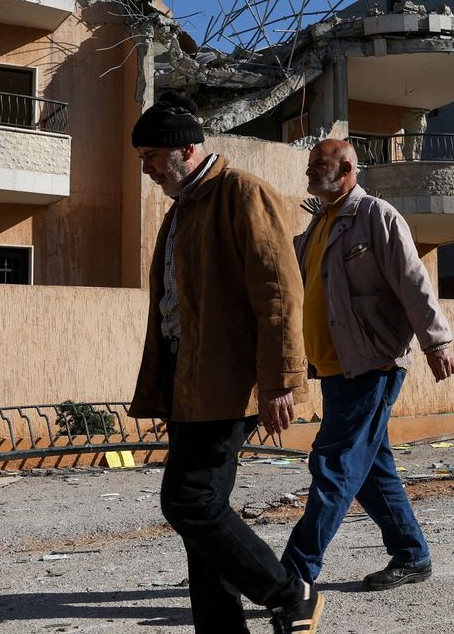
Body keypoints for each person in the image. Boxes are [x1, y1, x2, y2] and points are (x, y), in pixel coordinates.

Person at [128, 91, 324, 634]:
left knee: (188, 501)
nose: (147, 169)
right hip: (189, 384)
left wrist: (281, 380)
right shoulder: (183, 209)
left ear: (185, 149)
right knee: (204, 511)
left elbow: (280, 293)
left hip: (226, 383)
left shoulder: (241, 194)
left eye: (152, 158)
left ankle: (290, 594)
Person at [281, 138, 454, 593]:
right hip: (334, 365)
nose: (309, 172)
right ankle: (412, 554)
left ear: (346, 168)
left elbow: (412, 278)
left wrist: (437, 339)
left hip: (373, 361)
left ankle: (292, 575)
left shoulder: (375, 215)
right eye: (309, 165)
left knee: (335, 463)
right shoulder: (318, 225)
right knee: (369, 468)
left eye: (319, 165)